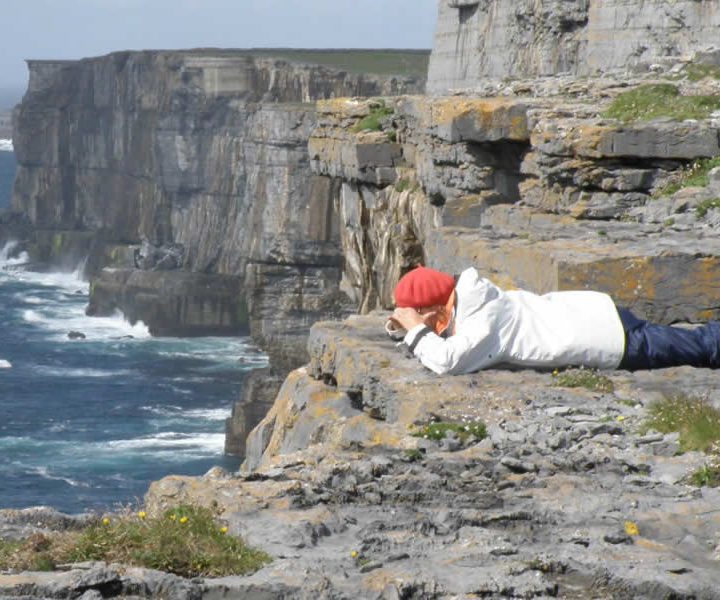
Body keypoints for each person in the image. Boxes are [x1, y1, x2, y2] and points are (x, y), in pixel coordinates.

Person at [389, 265, 720, 375]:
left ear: (432, 310)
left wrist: (416, 331)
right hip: (594, 315)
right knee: (690, 340)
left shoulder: (483, 318)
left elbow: (448, 361)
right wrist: (408, 326)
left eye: (416, 316)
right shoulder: (473, 299)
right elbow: (440, 334)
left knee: (701, 347)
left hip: (606, 337)